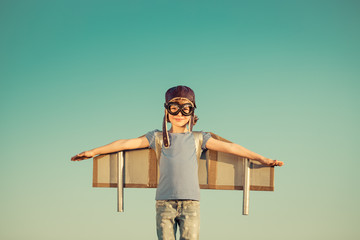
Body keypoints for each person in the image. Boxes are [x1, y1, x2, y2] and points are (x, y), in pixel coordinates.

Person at [71, 85, 284, 240]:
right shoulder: (155, 137)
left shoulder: (200, 138)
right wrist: (93, 151)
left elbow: (232, 148)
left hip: (191, 203)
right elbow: (126, 143)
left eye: (185, 109)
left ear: (193, 113)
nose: (179, 114)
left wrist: (263, 158)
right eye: (174, 108)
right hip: (163, 202)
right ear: (166, 111)